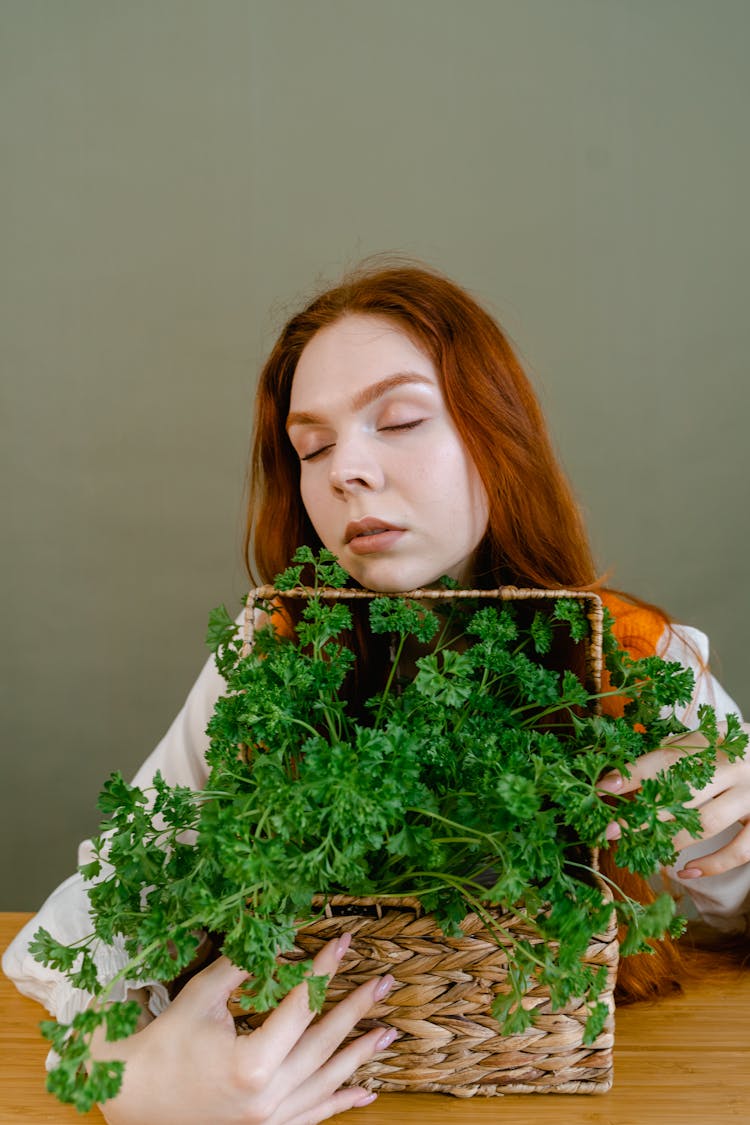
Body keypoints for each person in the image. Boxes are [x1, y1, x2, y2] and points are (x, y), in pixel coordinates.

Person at [4, 261, 749, 1124]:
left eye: (398, 420)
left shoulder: (624, 655)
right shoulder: (276, 656)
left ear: (495, 435)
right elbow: (85, 926)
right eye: (311, 447)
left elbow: (730, 903)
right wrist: (123, 1078)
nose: (345, 470)